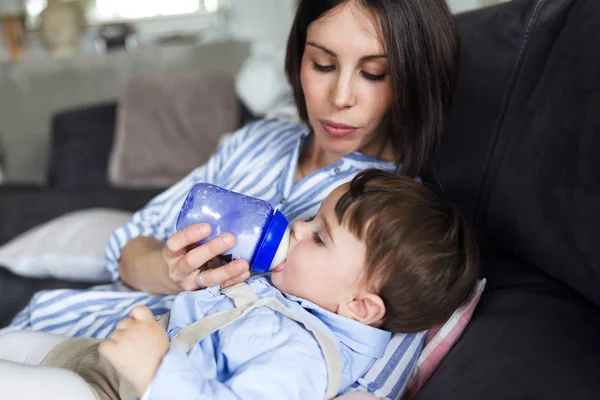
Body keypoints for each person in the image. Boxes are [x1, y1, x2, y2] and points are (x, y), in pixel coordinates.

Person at [8, 1, 461, 399]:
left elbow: (362, 386)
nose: (340, 97)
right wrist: (171, 272)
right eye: (322, 64)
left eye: (373, 73)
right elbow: (128, 245)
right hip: (64, 327)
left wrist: (158, 373)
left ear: (414, 79)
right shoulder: (257, 142)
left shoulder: (402, 235)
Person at [0, 170, 479, 400]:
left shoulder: (308, 357)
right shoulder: (290, 292)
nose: (296, 228)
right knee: (13, 345)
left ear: (359, 305)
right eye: (311, 217)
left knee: (52, 386)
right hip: (98, 355)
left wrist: (158, 372)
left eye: (319, 236)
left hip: (125, 393)